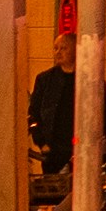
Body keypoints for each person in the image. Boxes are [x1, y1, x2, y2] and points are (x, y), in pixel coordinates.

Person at [29, 34, 79, 181]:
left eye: (63, 48)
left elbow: (103, 113)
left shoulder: (87, 79)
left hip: (78, 148)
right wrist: (42, 142)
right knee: (53, 187)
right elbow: (33, 113)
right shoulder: (45, 79)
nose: (58, 52)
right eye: (56, 48)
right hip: (53, 150)